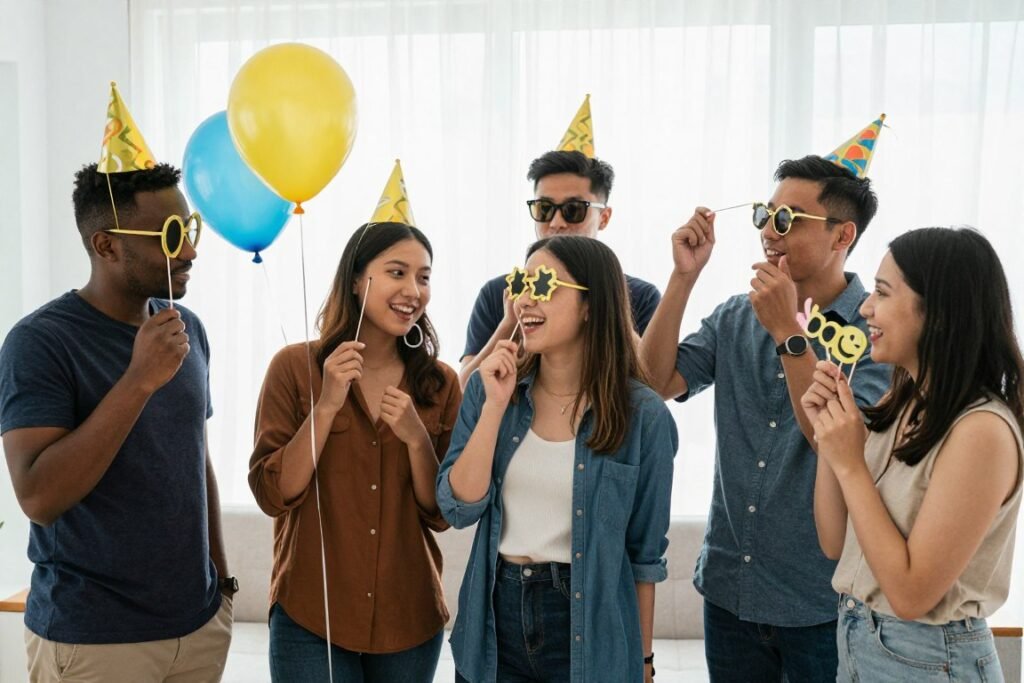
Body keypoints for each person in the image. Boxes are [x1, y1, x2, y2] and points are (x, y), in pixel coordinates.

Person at [639, 155, 891, 681]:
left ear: (842, 235)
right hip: (730, 591)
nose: (769, 233)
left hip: (821, 602)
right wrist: (683, 279)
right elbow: (655, 383)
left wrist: (787, 336)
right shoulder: (736, 314)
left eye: (788, 219)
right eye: (764, 214)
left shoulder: (875, 332)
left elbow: (840, 447)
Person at [0, 162, 233, 682]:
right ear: (105, 246)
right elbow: (38, 497)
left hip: (197, 628)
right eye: (170, 236)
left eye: (189, 229)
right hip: (95, 639)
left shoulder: (186, 326)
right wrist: (137, 380)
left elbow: (197, 456)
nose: (190, 251)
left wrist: (223, 581)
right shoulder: (39, 342)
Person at [439, 235, 677, 683]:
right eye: (521, 283)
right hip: (495, 617)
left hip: (589, 622)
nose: (525, 300)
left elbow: (645, 555)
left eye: (544, 285)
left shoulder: (644, 416)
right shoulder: (490, 390)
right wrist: (493, 407)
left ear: (591, 304)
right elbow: (458, 508)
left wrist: (644, 663)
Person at [802, 227, 1024, 680]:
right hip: (860, 642)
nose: (865, 308)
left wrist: (850, 461)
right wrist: (830, 438)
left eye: (882, 293)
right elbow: (832, 539)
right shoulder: (899, 402)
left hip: (929, 658)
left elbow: (909, 595)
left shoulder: (981, 430)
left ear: (939, 314)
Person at [249, 222, 462, 682]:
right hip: (310, 613)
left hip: (410, 616)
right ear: (355, 279)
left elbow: (440, 513)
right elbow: (273, 494)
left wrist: (416, 439)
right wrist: (326, 406)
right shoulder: (293, 367)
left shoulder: (439, 383)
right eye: (397, 272)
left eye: (424, 277)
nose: (413, 290)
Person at [458, 150, 661, 388]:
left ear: (604, 217)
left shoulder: (641, 295)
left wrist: (608, 302)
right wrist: (510, 323)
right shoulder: (500, 292)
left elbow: (657, 385)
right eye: (544, 208)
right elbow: (465, 391)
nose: (556, 223)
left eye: (573, 209)